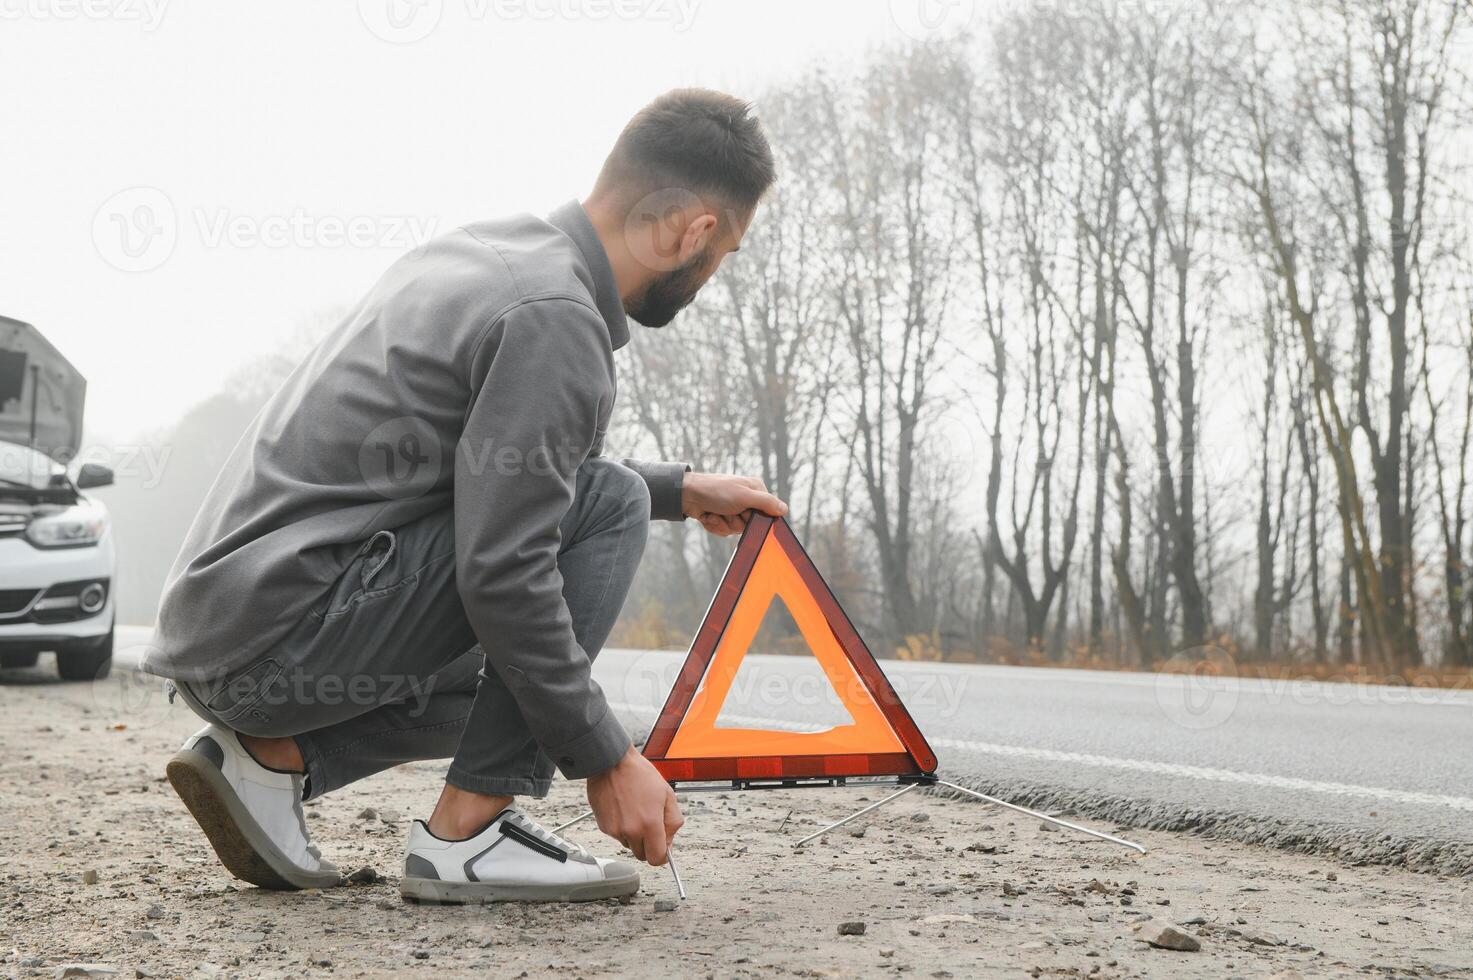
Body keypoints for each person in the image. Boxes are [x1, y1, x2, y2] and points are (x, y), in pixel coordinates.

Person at [144, 88, 784, 904]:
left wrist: (679, 489)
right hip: (277, 649)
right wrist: (607, 759)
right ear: (692, 231)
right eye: (723, 251)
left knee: (567, 588)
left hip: (238, 630)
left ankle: (273, 763)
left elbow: (499, 472)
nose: (712, 272)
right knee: (597, 524)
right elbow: (507, 568)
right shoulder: (554, 316)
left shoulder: (488, 253)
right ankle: (470, 833)